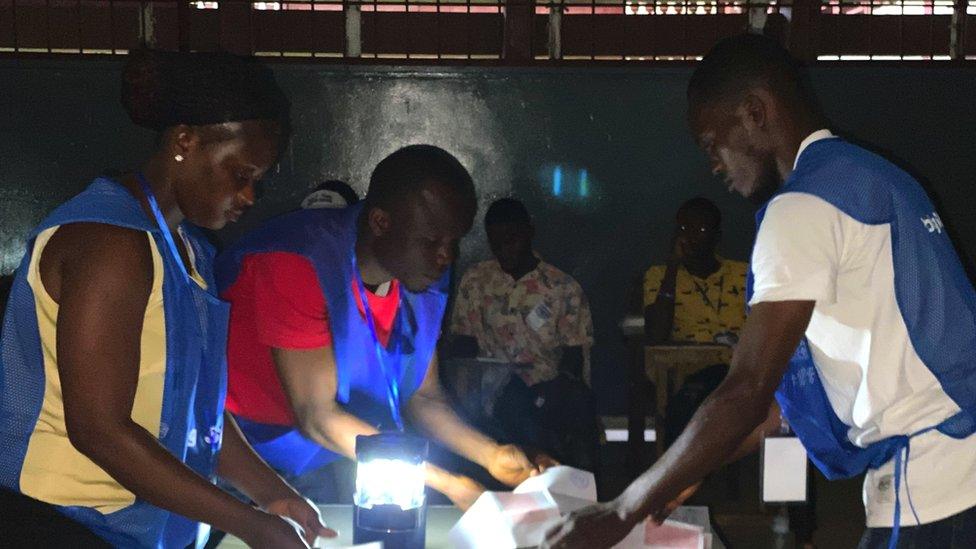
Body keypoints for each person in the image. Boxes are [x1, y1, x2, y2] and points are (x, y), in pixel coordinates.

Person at [544, 34, 976, 549]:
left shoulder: (799, 208)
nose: (714, 164)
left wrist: (621, 509)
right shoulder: (873, 176)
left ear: (753, 113)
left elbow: (746, 392)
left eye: (711, 144)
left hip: (935, 483)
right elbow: (774, 408)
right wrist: (679, 471)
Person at [0, 50, 334, 548]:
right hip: (63, 524)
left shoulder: (187, 249)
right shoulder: (109, 241)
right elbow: (99, 430)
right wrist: (250, 524)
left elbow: (200, 410)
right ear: (185, 142)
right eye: (240, 174)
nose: (248, 197)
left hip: (138, 525)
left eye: (257, 182)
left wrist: (271, 494)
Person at [216, 146, 548, 511]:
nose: (447, 256)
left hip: (338, 455)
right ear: (380, 222)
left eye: (454, 241)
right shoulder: (298, 262)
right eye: (432, 241)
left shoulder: (421, 273)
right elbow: (317, 416)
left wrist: (492, 455)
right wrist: (451, 484)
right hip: (245, 464)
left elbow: (424, 396)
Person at [449, 198, 599, 472]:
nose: (505, 250)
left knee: (570, 406)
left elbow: (574, 355)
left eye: (512, 240)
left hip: (548, 387)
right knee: (514, 405)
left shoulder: (561, 287)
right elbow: (463, 341)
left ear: (529, 232)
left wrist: (557, 386)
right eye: (497, 243)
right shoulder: (476, 280)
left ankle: (568, 484)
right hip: (493, 388)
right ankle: (536, 475)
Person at [643, 197, 747, 444]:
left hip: (740, 374)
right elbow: (656, 334)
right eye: (683, 229)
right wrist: (672, 268)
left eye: (700, 230)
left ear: (717, 236)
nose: (689, 236)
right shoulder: (659, 276)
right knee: (688, 405)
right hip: (687, 377)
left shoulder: (743, 274)